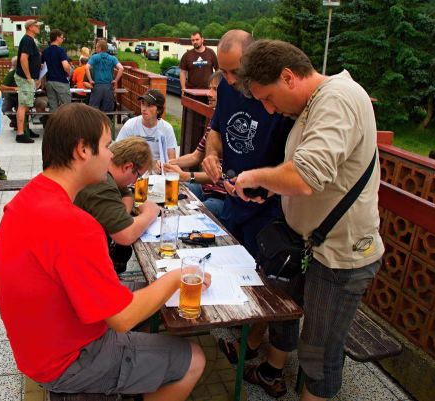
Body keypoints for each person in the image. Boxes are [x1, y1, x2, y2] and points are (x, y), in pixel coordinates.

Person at [0, 103, 208, 400]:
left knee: (149, 290)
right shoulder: (74, 225)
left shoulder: (27, 198)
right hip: (68, 360)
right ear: (83, 149)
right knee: (194, 358)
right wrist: (178, 276)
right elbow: (120, 318)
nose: (110, 155)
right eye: (107, 146)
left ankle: (133, 372)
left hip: (37, 344)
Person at [233, 39, 384, 401]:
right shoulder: (315, 103)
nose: (269, 110)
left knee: (319, 353)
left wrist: (255, 178)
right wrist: (274, 189)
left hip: (339, 256)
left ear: (288, 77)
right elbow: (317, 173)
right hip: (307, 245)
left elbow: (306, 176)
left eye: (268, 98)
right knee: (282, 310)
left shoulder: (338, 99)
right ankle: (272, 371)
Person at [201, 30, 293, 257]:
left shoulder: (276, 95)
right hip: (232, 201)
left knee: (256, 281)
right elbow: (217, 128)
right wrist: (211, 154)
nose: (231, 79)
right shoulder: (224, 87)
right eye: (223, 71)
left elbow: (293, 160)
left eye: (236, 71)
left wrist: (266, 188)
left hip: (266, 208)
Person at [75, 136, 160, 274]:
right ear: (128, 167)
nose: (135, 181)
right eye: (138, 176)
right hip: (78, 262)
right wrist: (150, 213)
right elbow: (126, 234)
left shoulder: (107, 171)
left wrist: (121, 215)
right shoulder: (103, 183)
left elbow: (126, 194)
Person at [164, 71, 226, 218]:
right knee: (167, 196)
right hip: (205, 189)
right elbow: (196, 156)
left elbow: (220, 174)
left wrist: (186, 176)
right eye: (209, 88)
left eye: (215, 90)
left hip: (221, 197)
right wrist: (167, 164)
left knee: (181, 213)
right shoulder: (214, 122)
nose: (209, 94)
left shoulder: (231, 126)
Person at [115, 89, 177, 165]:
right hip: (135, 169)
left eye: (149, 105)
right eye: (142, 103)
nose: (144, 109)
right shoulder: (130, 125)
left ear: (159, 110)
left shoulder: (166, 128)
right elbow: (117, 152)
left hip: (159, 172)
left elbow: (172, 159)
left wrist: (163, 165)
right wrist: (151, 165)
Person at [15, 19, 43, 143]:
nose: (39, 28)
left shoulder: (29, 40)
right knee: (23, 106)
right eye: (37, 26)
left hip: (28, 78)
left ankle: (25, 130)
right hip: (25, 78)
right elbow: (23, 59)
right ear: (31, 27)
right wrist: (28, 77)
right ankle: (20, 133)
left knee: (26, 105)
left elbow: (29, 59)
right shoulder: (27, 40)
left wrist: (38, 66)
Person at [86, 39, 124, 112]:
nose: (95, 49)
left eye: (96, 47)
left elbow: (87, 67)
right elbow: (121, 68)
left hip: (97, 87)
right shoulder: (113, 58)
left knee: (93, 111)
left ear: (100, 48)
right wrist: (115, 80)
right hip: (108, 87)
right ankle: (106, 123)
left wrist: (90, 80)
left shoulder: (94, 57)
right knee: (107, 112)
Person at [179, 31, 218, 96]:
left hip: (208, 91)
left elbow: (218, 70)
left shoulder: (211, 53)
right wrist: (183, 88)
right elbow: (182, 72)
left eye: (197, 39)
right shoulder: (187, 55)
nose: (195, 42)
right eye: (193, 40)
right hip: (191, 91)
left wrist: (214, 86)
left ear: (202, 39)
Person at [42, 29, 71, 110]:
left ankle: (54, 122)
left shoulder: (45, 51)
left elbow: (42, 67)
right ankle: (66, 123)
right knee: (67, 107)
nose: (62, 39)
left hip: (49, 82)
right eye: (62, 38)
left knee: (53, 107)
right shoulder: (60, 50)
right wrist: (68, 73)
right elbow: (65, 66)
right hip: (61, 81)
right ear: (57, 38)